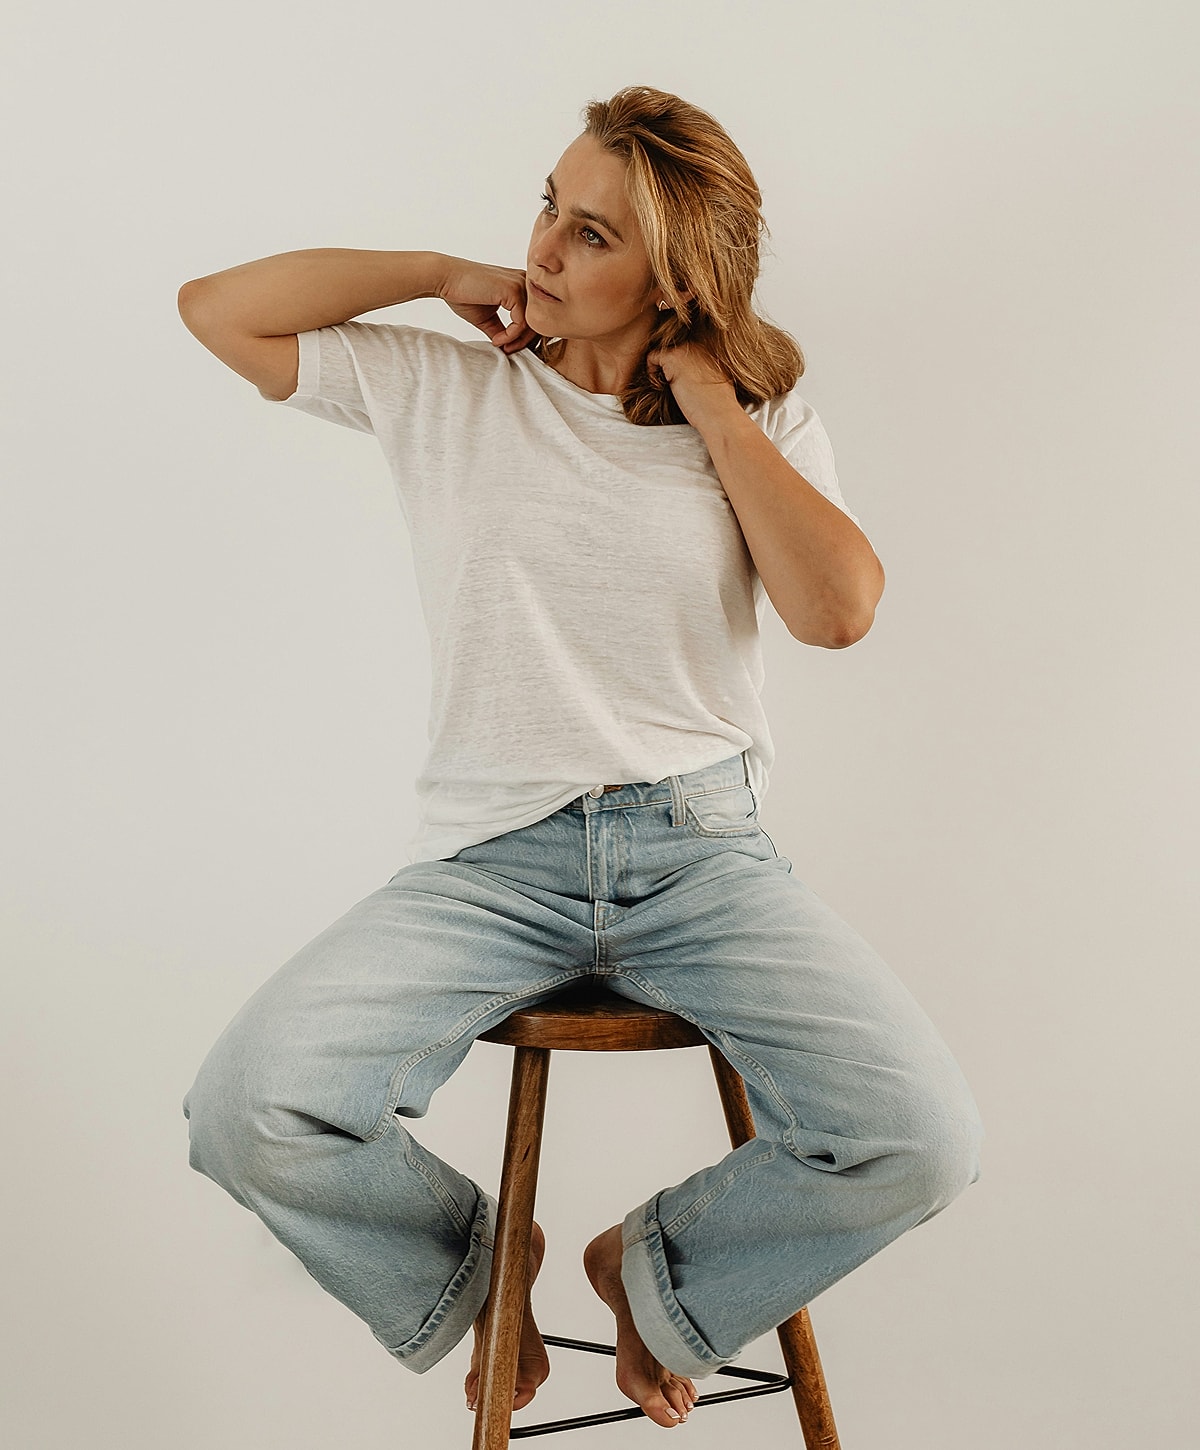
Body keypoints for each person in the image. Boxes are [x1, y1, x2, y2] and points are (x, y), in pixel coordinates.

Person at [179, 85, 983, 1431]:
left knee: (923, 1136)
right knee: (249, 1104)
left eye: (592, 234)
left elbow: (839, 610)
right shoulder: (451, 389)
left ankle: (655, 1273)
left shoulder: (760, 416)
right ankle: (486, 1268)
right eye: (548, 205)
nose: (545, 248)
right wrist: (438, 274)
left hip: (703, 858)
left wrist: (713, 404)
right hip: (491, 864)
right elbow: (217, 309)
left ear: (674, 280)